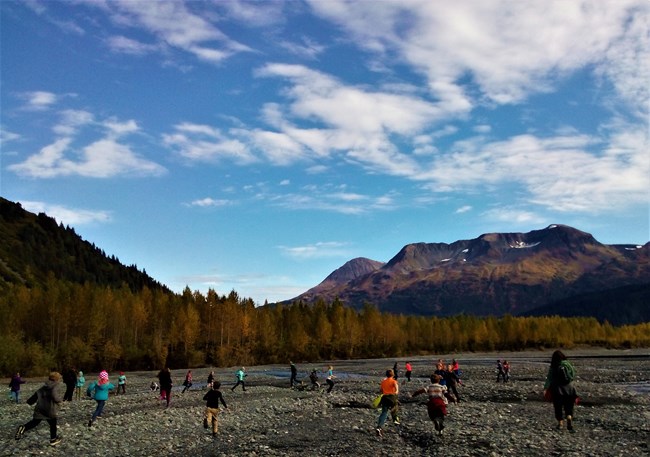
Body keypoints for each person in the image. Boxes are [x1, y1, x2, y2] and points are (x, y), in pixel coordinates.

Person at [15, 371, 63, 446]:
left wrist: (30, 401)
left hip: (40, 408)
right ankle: (53, 439)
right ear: (56, 379)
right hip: (50, 409)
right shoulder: (55, 385)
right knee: (53, 424)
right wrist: (59, 400)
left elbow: (36, 394)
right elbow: (55, 395)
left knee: (35, 422)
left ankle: (23, 428)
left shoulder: (44, 386)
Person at [544, 350, 578, 431]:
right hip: (570, 388)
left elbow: (549, 378)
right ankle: (569, 417)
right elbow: (573, 374)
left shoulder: (554, 366)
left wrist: (546, 388)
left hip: (557, 389)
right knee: (569, 406)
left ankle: (560, 423)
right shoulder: (567, 364)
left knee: (558, 407)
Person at [375, 369, 399, 436]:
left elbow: (381, 391)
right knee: (395, 407)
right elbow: (396, 391)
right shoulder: (394, 381)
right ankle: (395, 420)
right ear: (393, 374)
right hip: (391, 397)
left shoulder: (383, 382)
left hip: (384, 398)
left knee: (384, 413)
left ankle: (379, 427)